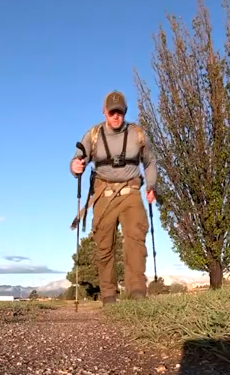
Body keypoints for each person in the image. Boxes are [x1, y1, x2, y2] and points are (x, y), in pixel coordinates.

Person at [70, 90, 157, 303]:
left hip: (131, 193)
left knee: (135, 241)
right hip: (103, 195)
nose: (115, 116)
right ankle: (108, 295)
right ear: (104, 112)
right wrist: (75, 167)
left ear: (125, 112)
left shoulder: (138, 134)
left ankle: (136, 292)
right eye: (111, 112)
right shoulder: (93, 135)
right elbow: (77, 161)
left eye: (119, 112)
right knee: (103, 245)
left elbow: (150, 162)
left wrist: (151, 186)